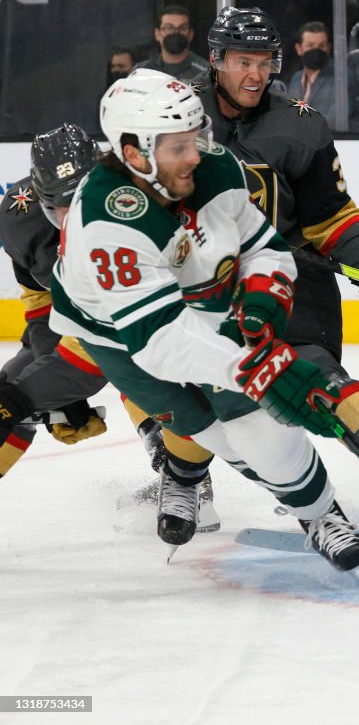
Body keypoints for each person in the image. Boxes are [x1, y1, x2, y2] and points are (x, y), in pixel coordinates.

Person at [48, 69, 359, 572]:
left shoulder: (215, 168)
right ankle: (191, 475)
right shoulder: (107, 223)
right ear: (134, 154)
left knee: (257, 427)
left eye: (197, 137)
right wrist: (258, 368)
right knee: (209, 430)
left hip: (198, 298)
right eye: (179, 146)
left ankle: (322, 514)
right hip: (120, 336)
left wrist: (262, 309)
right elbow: (161, 344)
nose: (196, 154)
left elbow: (264, 249)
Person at [189, 6, 359, 474]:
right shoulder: (178, 116)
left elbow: (333, 219)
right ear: (216, 59)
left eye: (266, 62)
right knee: (187, 384)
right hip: (203, 283)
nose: (257, 74)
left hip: (290, 276)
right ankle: (185, 480)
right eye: (244, 61)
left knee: (317, 372)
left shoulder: (301, 125)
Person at [0, 124, 215, 522]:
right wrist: (54, 374)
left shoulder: (137, 204)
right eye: (56, 208)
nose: (70, 219)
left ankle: (184, 477)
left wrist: (59, 383)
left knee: (138, 366)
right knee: (9, 389)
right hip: (83, 323)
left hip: (152, 325)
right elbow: (40, 302)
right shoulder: (19, 217)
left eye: (78, 201)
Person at [134, 5, 208, 82]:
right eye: (169, 28)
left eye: (182, 28)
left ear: (190, 34)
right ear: (157, 34)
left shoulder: (205, 74)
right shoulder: (141, 71)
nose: (176, 33)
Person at [287, 21, 339, 128]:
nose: (316, 50)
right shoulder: (296, 79)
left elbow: (334, 120)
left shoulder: (341, 80)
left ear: (328, 48)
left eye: (321, 46)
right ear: (299, 49)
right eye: (310, 45)